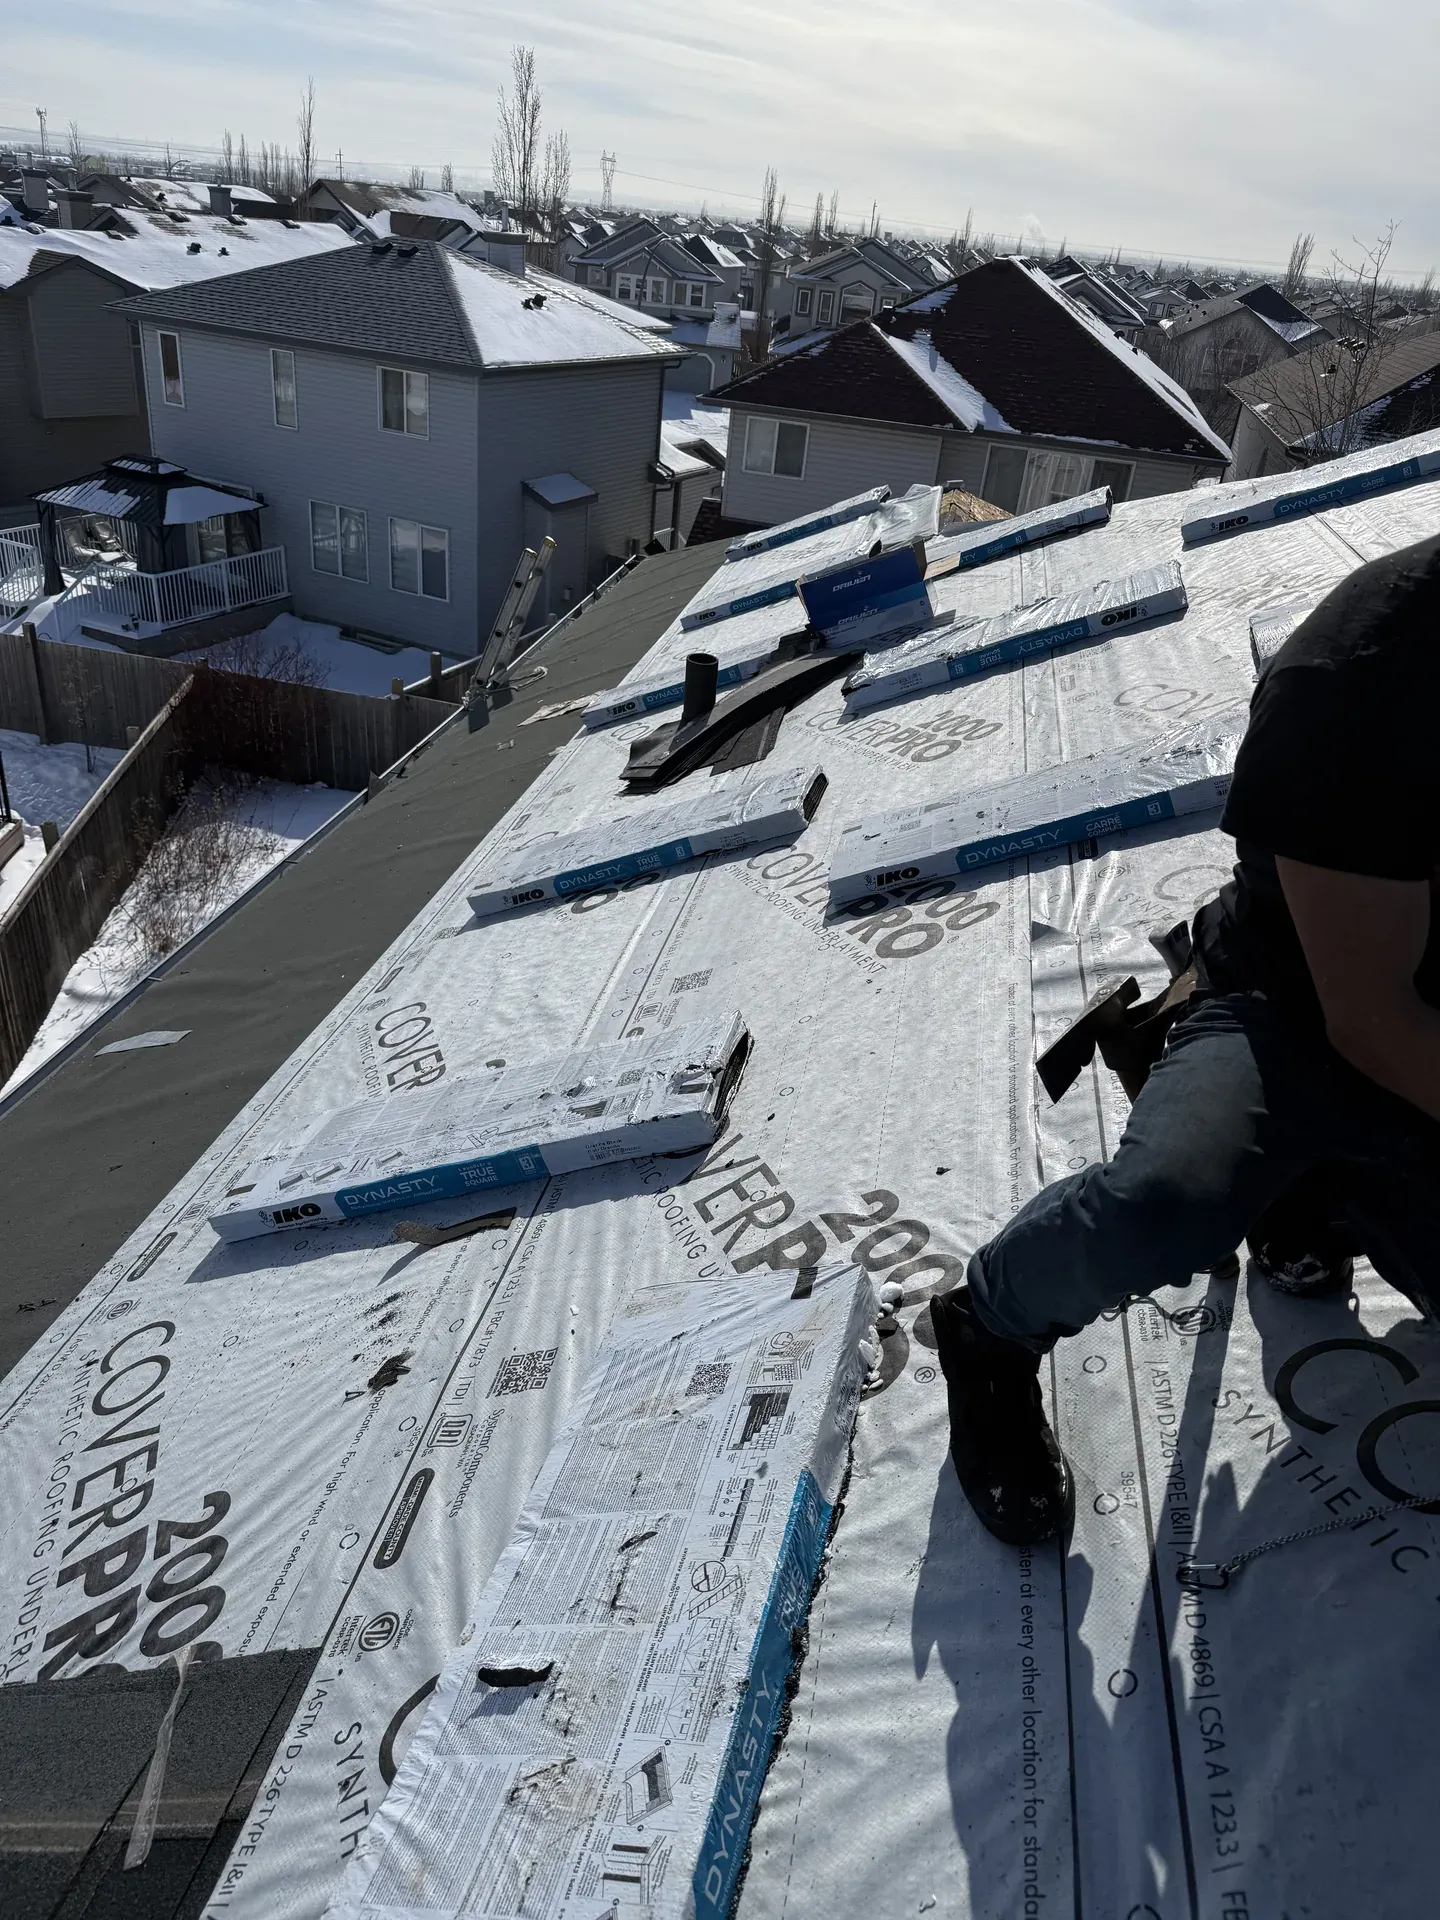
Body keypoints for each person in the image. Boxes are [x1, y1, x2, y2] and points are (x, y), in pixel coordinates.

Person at [930, 532, 1440, 1547]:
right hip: (1293, 1006)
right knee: (1167, 1205)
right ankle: (988, 1324)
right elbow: (1372, 1020)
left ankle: (1311, 1198)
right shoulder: (1359, 683)